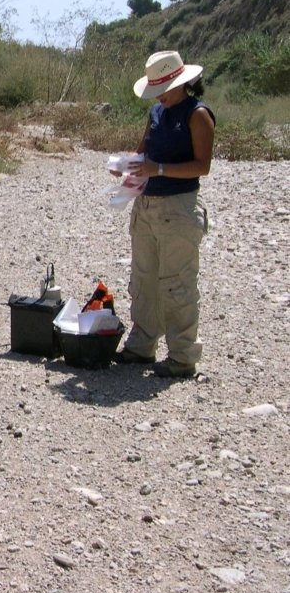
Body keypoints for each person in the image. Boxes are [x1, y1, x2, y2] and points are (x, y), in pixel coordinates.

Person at [114, 50, 215, 378]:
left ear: (180, 83)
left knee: (177, 282)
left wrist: (156, 169)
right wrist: (128, 167)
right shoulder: (157, 112)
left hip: (179, 207)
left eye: (163, 87)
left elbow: (202, 166)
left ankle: (183, 355)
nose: (159, 94)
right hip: (146, 205)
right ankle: (142, 345)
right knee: (144, 278)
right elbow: (143, 151)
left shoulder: (197, 115)